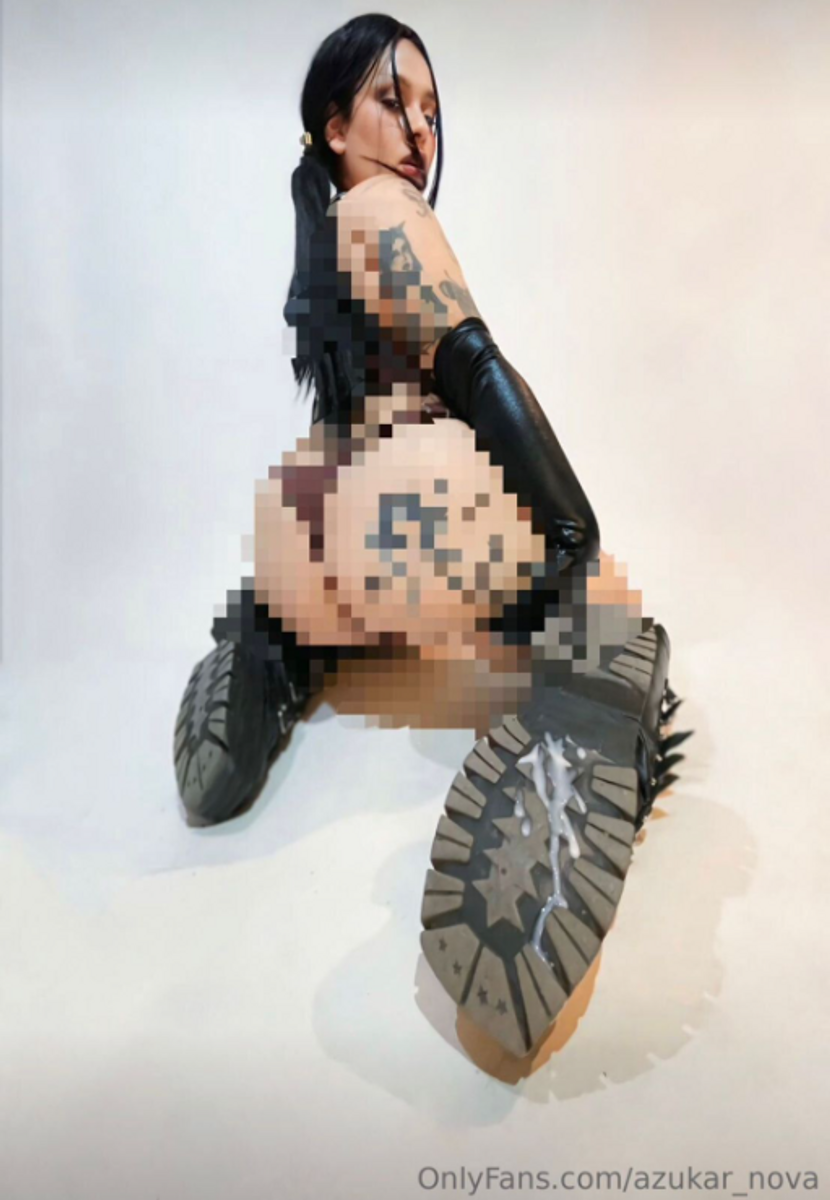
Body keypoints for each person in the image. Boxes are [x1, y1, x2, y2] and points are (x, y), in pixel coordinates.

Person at [173, 14, 690, 1057]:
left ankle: (272, 647)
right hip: (417, 514)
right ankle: (593, 694)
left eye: (431, 114)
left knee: (314, 534)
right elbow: (471, 362)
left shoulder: (323, 229)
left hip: (307, 533)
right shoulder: (385, 208)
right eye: (390, 102)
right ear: (333, 126)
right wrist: (571, 530)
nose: (418, 133)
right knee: (601, 611)